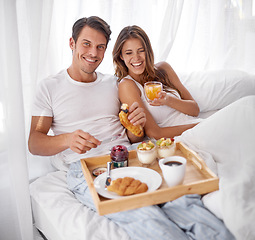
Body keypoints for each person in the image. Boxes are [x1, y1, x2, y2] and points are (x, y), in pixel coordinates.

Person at [29, 17, 234, 240]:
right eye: (86, 44)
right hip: (90, 167)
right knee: (145, 216)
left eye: (100, 47)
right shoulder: (50, 87)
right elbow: (35, 142)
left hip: (132, 157)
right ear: (72, 43)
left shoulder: (112, 84)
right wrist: (67, 140)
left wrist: (135, 127)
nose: (93, 53)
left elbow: (134, 137)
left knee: (185, 203)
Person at [113, 25, 201, 139]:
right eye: (129, 53)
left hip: (198, 126)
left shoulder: (164, 69)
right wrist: (198, 128)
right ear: (121, 56)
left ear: (148, 51)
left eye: (141, 51)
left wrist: (168, 100)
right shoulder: (127, 85)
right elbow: (155, 133)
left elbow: (195, 110)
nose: (136, 58)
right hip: (185, 136)